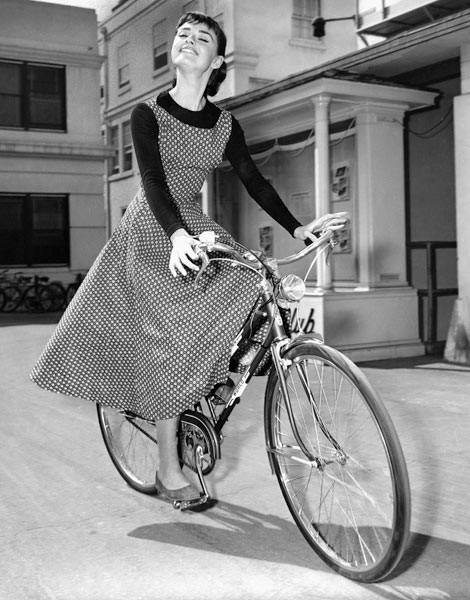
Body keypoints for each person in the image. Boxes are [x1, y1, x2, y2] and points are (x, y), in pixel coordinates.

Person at [31, 11, 313, 504]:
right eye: (182, 34)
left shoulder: (225, 124)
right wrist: (178, 236)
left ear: (217, 60)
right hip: (153, 227)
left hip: (193, 225)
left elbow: (254, 179)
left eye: (201, 37)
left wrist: (297, 227)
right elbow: (155, 184)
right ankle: (168, 469)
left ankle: (219, 379)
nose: (187, 40)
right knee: (169, 347)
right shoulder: (148, 114)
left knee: (257, 277)